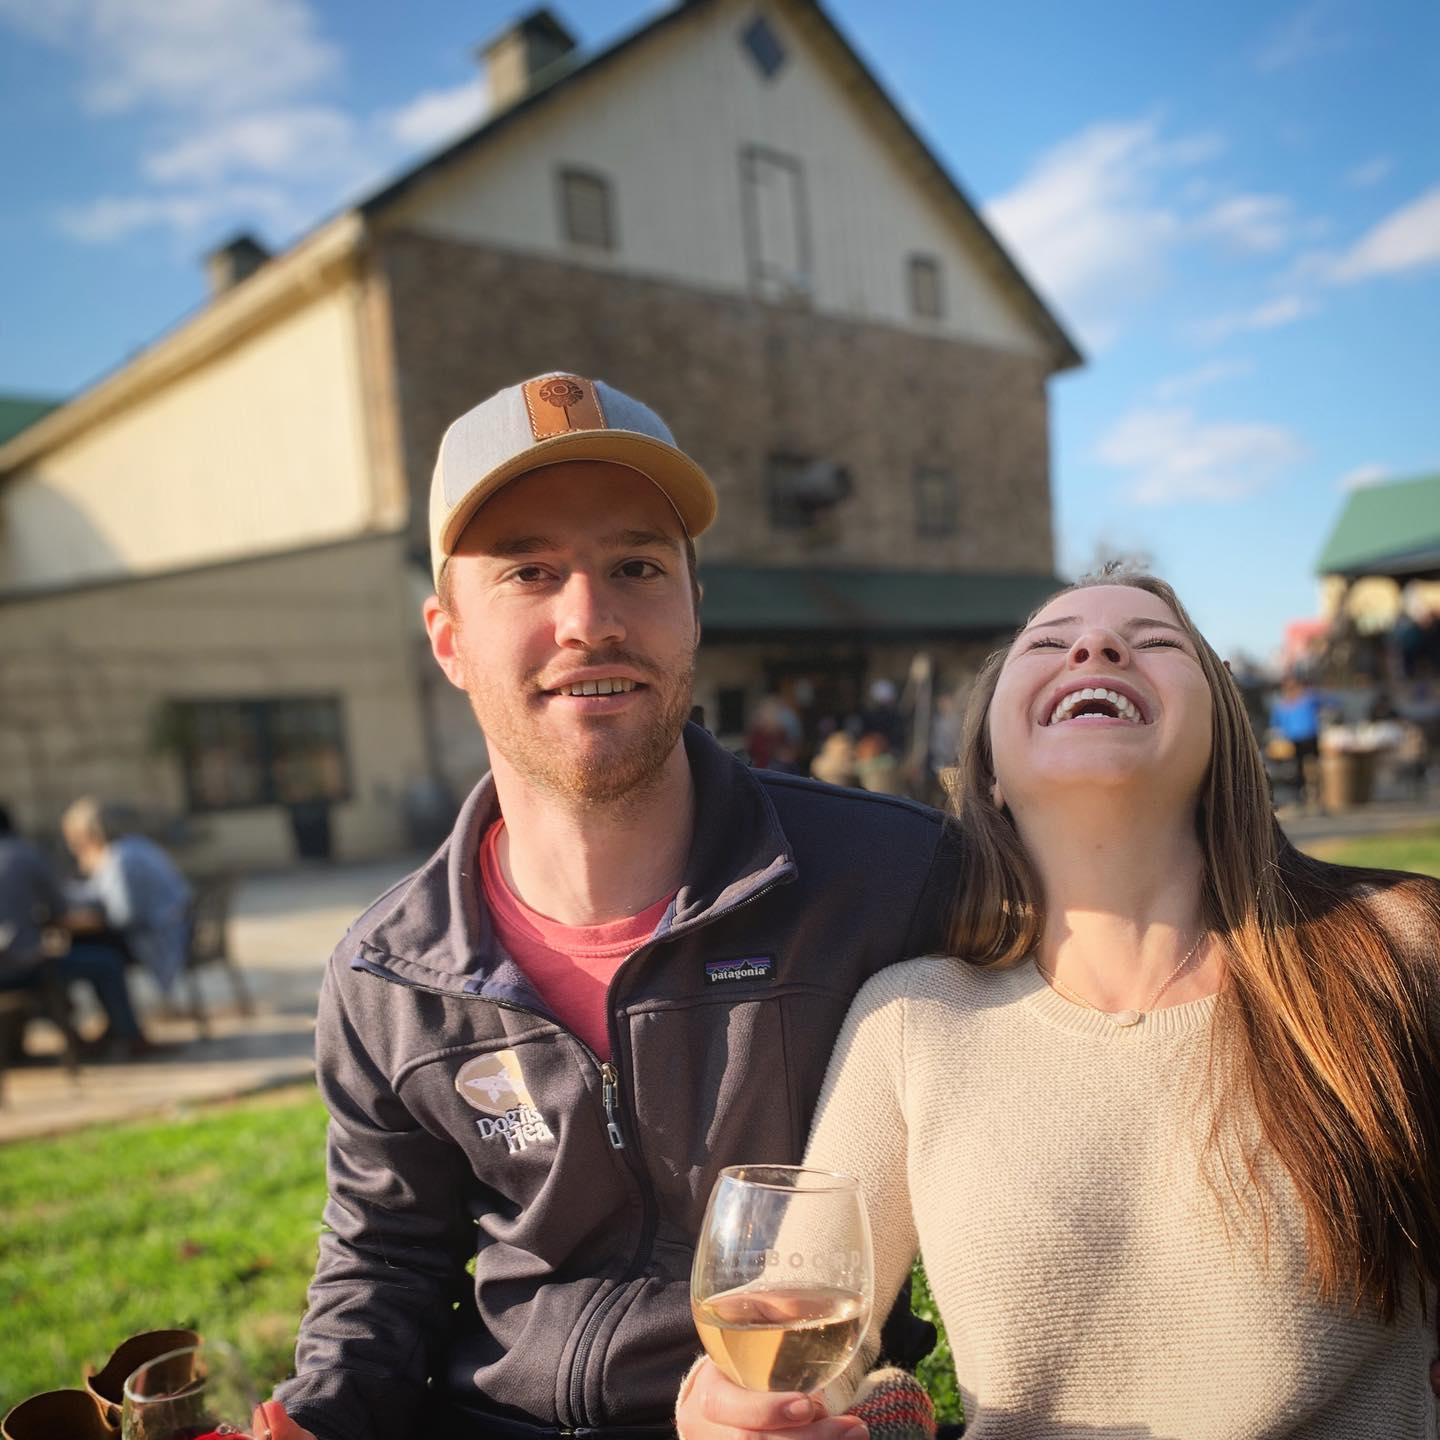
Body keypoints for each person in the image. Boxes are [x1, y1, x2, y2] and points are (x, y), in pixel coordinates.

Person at [272, 373, 961, 1440]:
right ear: (448, 639)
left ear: (694, 608)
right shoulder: (386, 977)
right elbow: (385, 1264)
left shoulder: (891, 877)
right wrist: (318, 1418)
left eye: (637, 567)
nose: (589, 620)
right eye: (529, 572)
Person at [682, 572, 1440, 1439]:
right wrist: (744, 1412)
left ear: (1222, 742)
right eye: (1048, 643)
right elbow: (810, 1331)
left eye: (1154, 641)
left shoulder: (1400, 949)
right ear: (990, 773)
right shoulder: (910, 1020)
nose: (1095, 647)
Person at [0, 802, 151, 1057]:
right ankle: (129, 1036)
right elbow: (59, 908)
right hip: (22, 967)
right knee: (107, 962)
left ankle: (79, 1039)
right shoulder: (23, 855)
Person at [61, 798, 193, 998]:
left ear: (87, 838)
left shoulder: (121, 859)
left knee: (86, 950)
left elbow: (124, 915)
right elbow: (96, 893)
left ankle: (118, 1013)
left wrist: (92, 918)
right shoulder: (132, 848)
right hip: (173, 927)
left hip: (158, 936)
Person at [1269, 673, 1324, 810]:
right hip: (1295, 740)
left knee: (1312, 766)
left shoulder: (1308, 698)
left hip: (1309, 738)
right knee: (1299, 768)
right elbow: (1276, 724)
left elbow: (1327, 703)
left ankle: (1315, 794)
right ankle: (1304, 795)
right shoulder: (1282, 705)